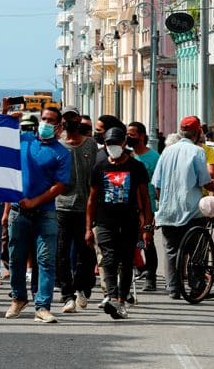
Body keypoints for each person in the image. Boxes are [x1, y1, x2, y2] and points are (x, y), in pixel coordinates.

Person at [2, 100, 71, 324]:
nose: (46, 124)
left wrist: (35, 202)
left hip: (45, 213)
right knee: (16, 258)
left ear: (59, 126)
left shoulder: (61, 153)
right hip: (17, 211)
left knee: (45, 260)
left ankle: (43, 306)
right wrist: (4, 114)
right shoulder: (25, 140)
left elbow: (60, 185)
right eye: (44, 119)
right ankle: (18, 298)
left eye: (51, 121)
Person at [85, 128, 153, 320]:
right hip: (105, 222)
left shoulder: (136, 167)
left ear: (124, 144)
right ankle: (112, 297)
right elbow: (91, 199)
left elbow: (145, 198)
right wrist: (88, 228)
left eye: (116, 143)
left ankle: (122, 300)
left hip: (129, 222)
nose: (112, 147)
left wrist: (147, 226)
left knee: (126, 261)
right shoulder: (99, 168)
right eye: (109, 144)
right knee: (108, 259)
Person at [152, 116, 214, 299]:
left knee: (171, 250)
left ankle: (173, 288)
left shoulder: (167, 151)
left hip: (168, 211)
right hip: (192, 211)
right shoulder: (197, 152)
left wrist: (164, 201)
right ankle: (197, 287)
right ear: (197, 133)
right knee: (196, 250)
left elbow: (156, 184)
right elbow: (205, 181)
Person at [55, 106, 97, 313]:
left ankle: (82, 287)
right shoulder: (58, 145)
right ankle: (66, 295)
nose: (69, 121)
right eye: (66, 118)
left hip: (86, 206)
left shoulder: (90, 144)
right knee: (62, 252)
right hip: (62, 206)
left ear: (78, 119)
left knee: (86, 253)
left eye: (72, 117)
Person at [127, 122, 160, 292]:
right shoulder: (128, 156)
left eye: (132, 134)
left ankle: (151, 277)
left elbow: (159, 184)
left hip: (148, 205)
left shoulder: (154, 157)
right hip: (130, 204)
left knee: (148, 241)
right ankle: (136, 270)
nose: (129, 137)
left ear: (141, 135)